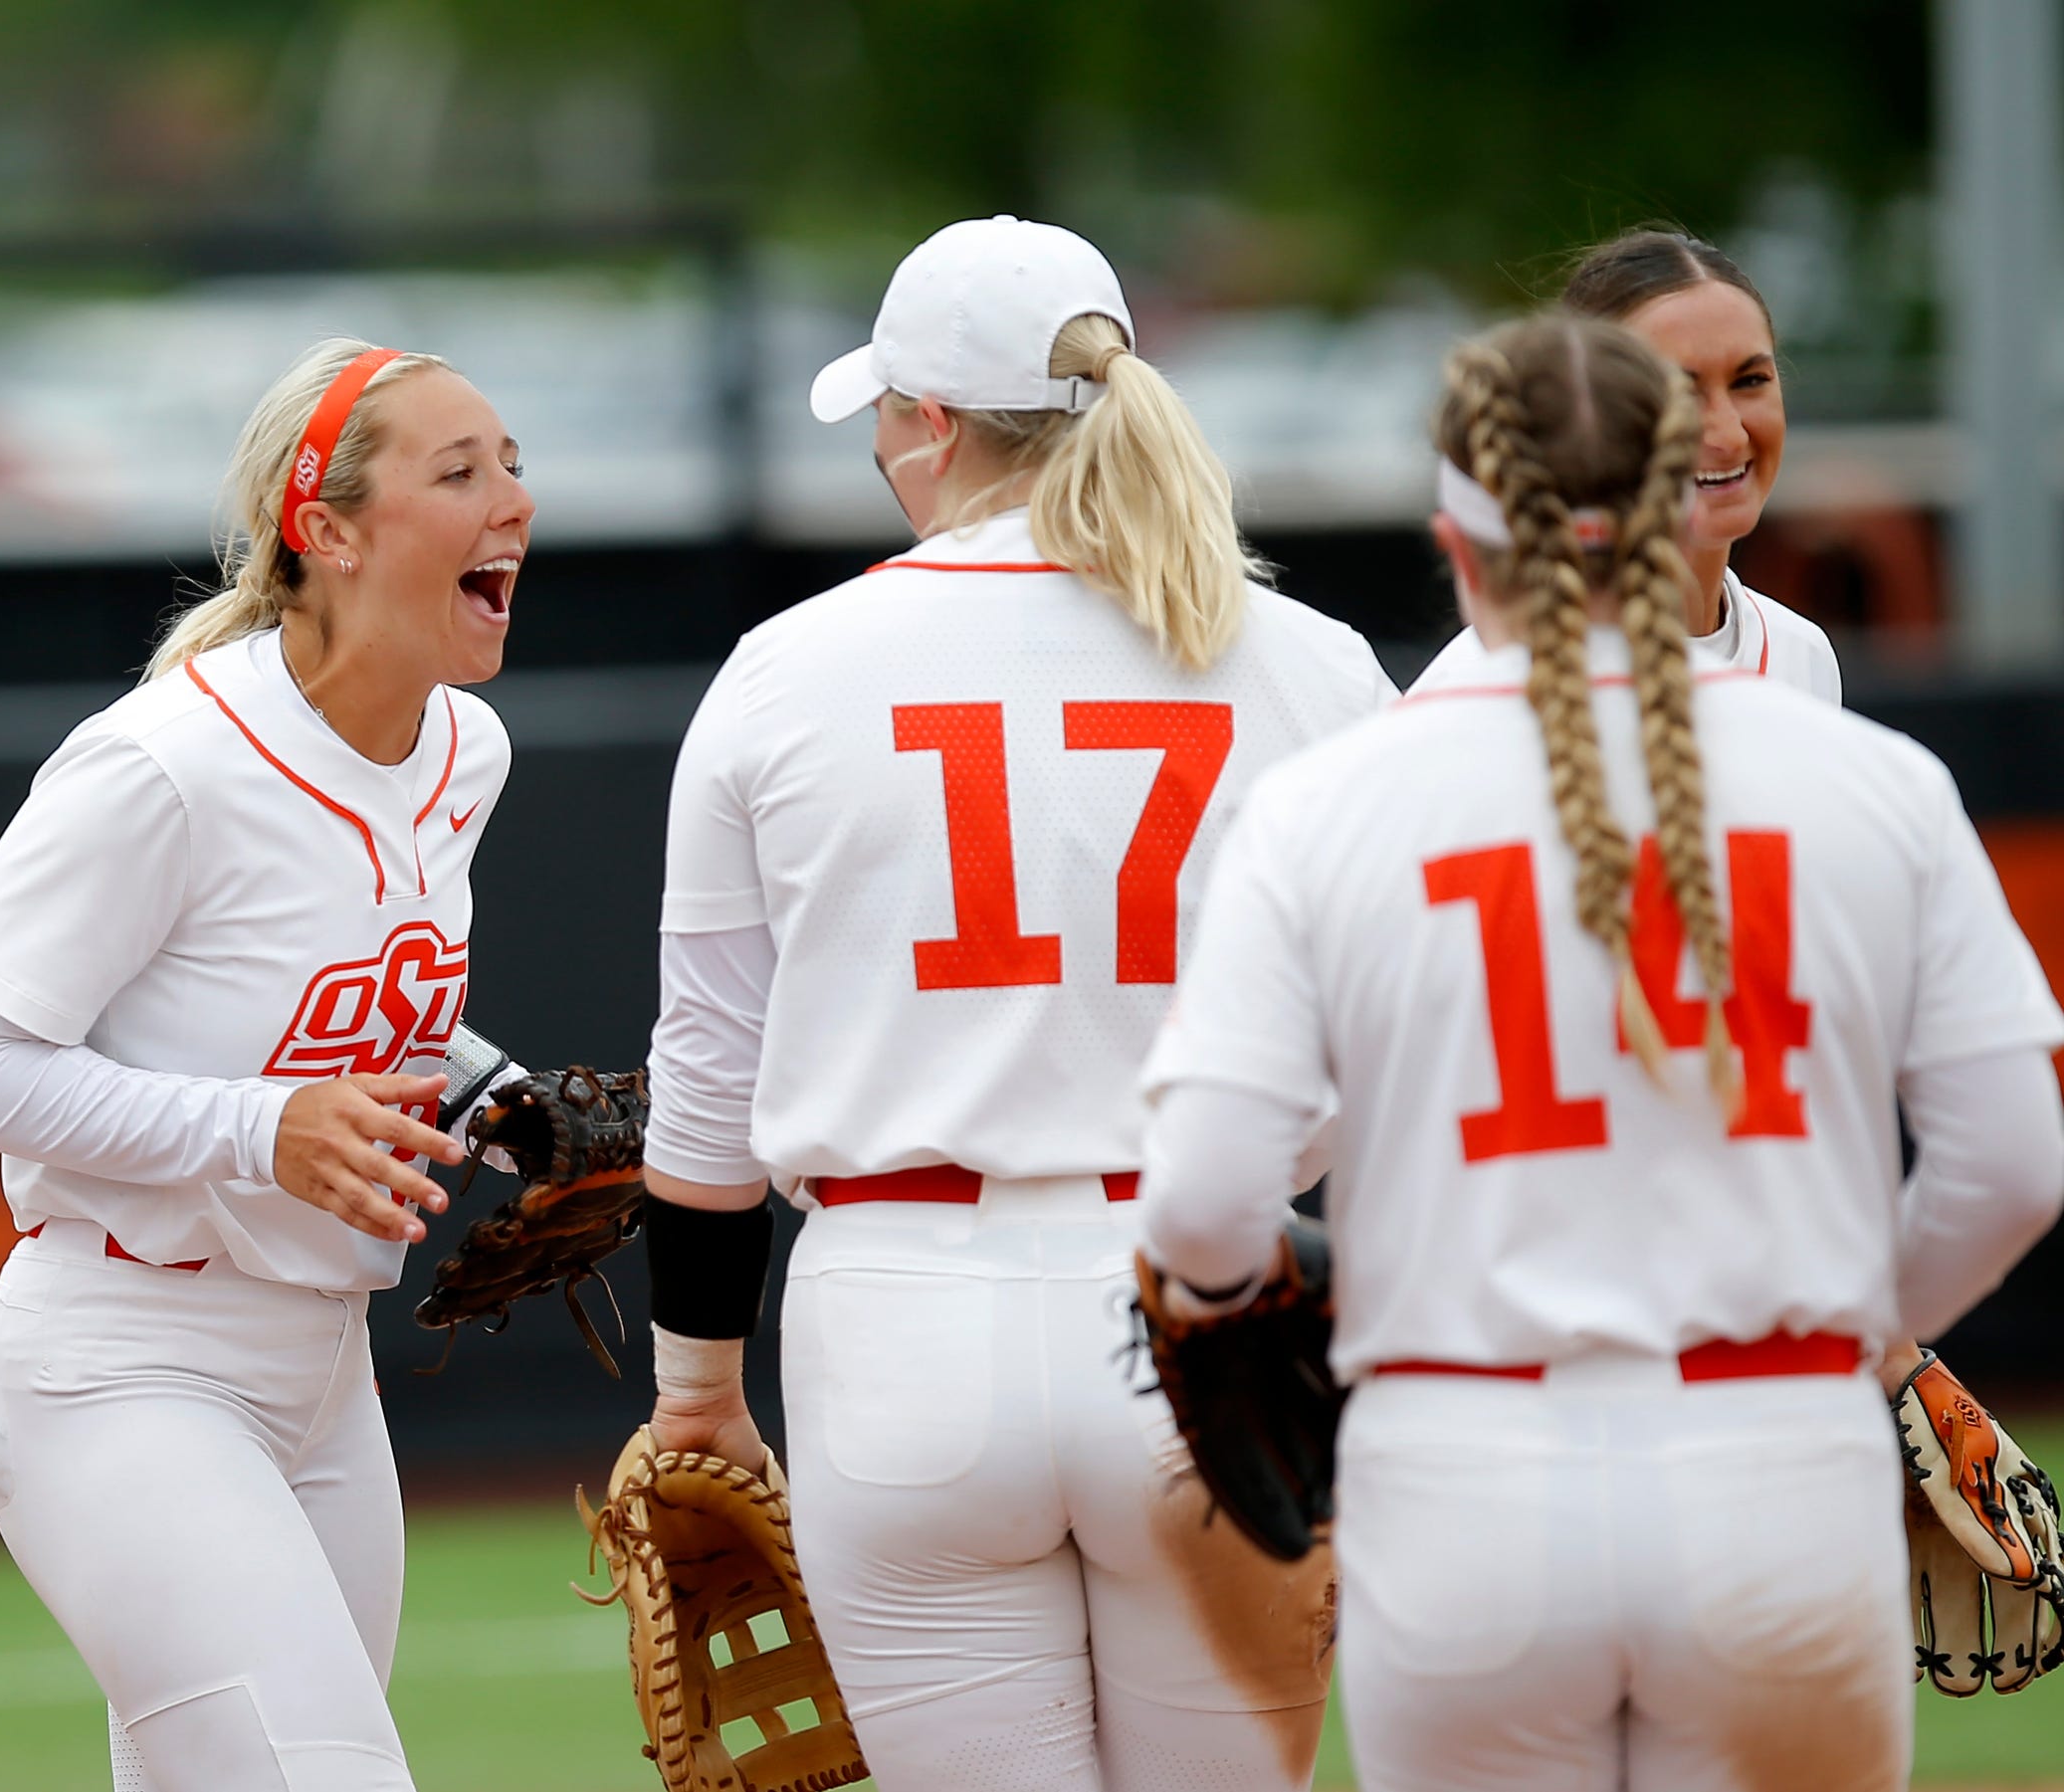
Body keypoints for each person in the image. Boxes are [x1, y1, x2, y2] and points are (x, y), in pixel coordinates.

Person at [1134, 312, 2064, 1791]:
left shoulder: (1331, 803)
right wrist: (1854, 1326)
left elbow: (1195, 1204)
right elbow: (2014, 1163)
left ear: (1453, 530)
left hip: (1465, 1475)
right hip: (1776, 1463)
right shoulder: (1873, 780)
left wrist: (1261, 1323)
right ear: (1675, 496)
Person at [630, 216, 1394, 1791]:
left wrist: (698, 1387)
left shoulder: (784, 671)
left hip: (902, 1320)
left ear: (927, 424)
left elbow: (705, 1086)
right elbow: (1407, 1066)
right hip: (1220, 1303)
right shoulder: (1314, 666)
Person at [0, 338, 530, 1792]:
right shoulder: (164, 761)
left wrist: (511, 1109)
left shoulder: (467, 749)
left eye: (514, 465)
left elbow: (358, 1019)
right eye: (459, 471)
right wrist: (263, 1131)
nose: (509, 500)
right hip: (124, 1364)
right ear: (326, 530)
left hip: (322, 1375)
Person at [1414, 228, 1838, 698]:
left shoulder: (1802, 654)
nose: (1728, 435)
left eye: (1751, 380)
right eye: (1678, 392)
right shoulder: (1469, 687)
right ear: (1587, 410)